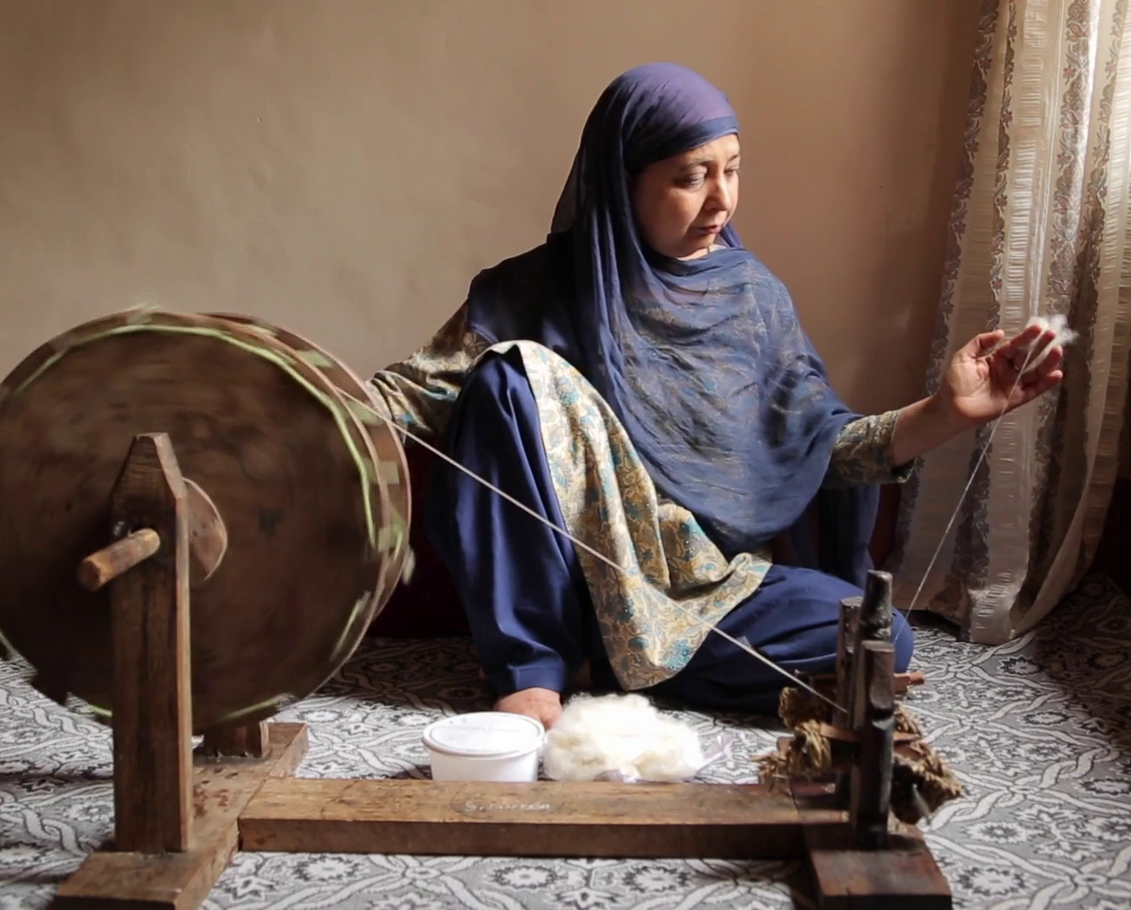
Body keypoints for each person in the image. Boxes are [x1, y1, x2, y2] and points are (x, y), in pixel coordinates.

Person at [365, 63, 1064, 729]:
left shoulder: (752, 297)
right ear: (623, 181)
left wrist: (947, 412)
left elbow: (823, 449)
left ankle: (608, 665)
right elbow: (400, 400)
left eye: (732, 170)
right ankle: (533, 672)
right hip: (570, 590)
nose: (721, 198)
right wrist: (287, 396)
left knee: (877, 639)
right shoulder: (530, 291)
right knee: (507, 375)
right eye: (690, 177)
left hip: (702, 589)